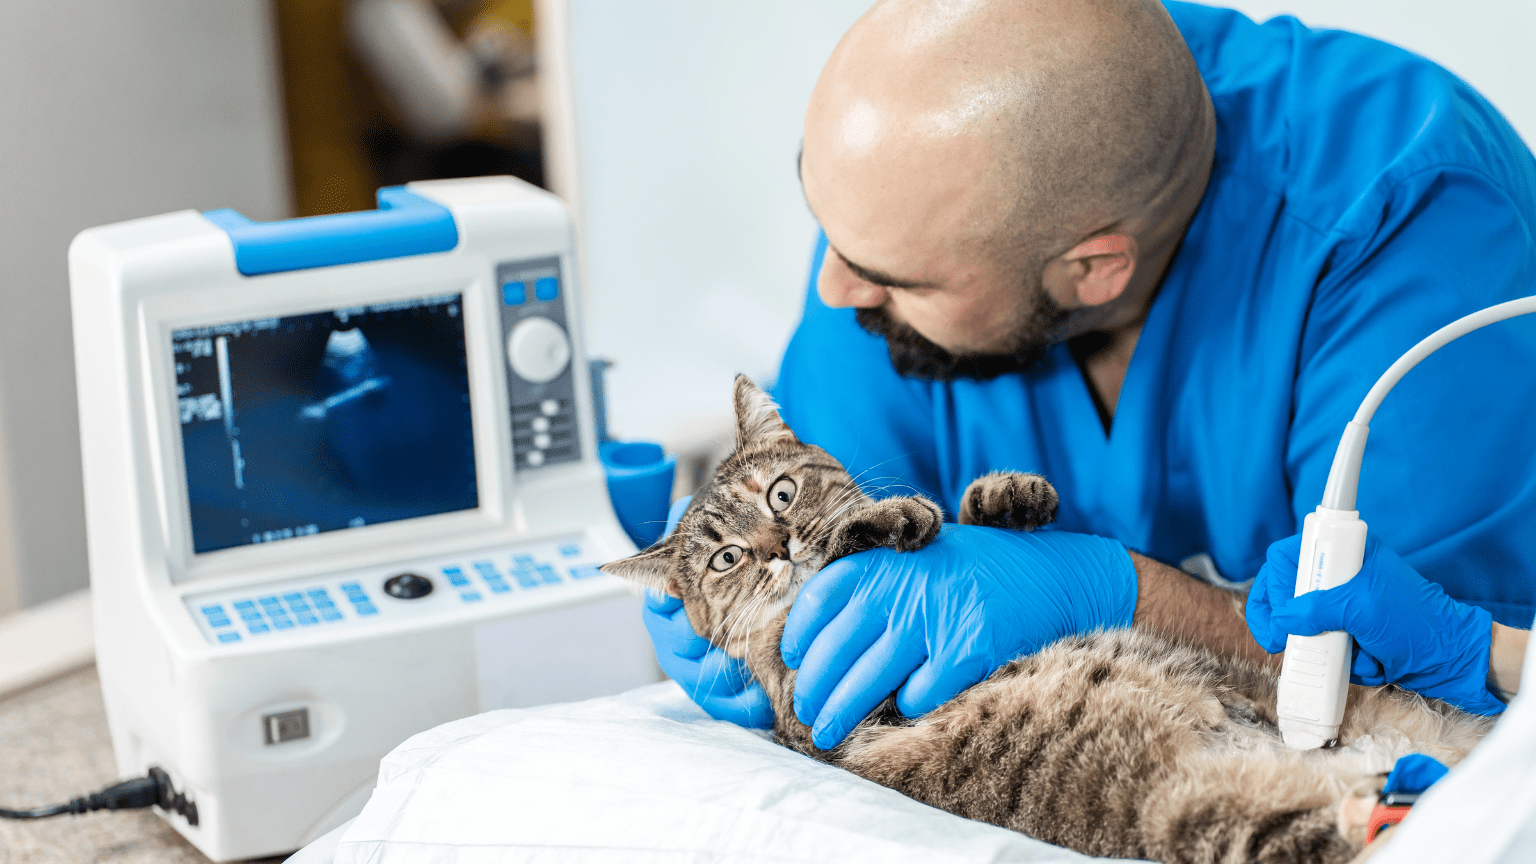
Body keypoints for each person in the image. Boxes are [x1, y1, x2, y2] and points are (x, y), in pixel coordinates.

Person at [644, 0, 1536, 749]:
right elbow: (834, 528)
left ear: (1093, 271)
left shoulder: (1413, 235)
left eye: (889, 275)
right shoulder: (911, 199)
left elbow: (1441, 693)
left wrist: (1115, 595)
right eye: (827, 225)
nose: (835, 291)